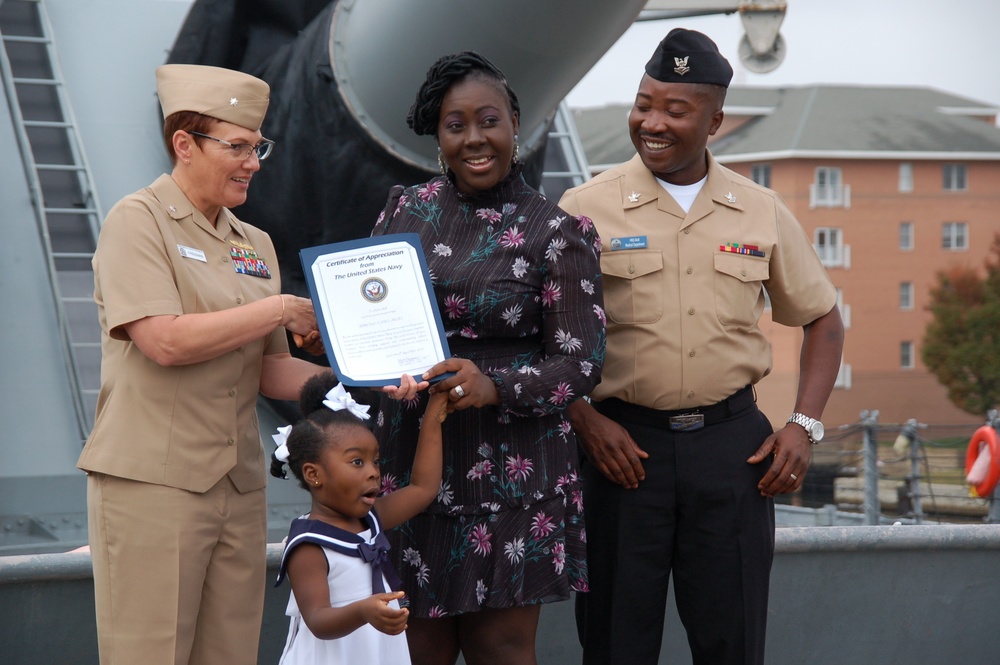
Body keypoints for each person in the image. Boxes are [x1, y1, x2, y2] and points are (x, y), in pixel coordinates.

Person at [558, 29, 845, 665]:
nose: (652, 123)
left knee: (732, 642)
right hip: (621, 451)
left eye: (675, 110)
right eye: (643, 104)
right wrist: (584, 418)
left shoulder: (760, 210)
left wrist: (803, 425)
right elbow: (542, 335)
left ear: (714, 120)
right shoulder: (583, 208)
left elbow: (823, 318)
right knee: (614, 644)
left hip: (732, 452)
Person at [77, 64, 328, 664]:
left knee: (230, 655)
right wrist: (278, 309)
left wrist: (362, 379)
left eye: (257, 147)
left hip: (236, 486)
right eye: (237, 147)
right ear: (183, 144)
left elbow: (268, 372)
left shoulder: (254, 244)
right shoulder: (136, 222)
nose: (253, 163)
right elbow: (163, 341)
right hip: (153, 485)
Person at [370, 51, 607, 665]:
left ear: (515, 124)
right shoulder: (405, 210)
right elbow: (368, 314)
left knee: (500, 648)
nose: (474, 139)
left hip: (512, 469)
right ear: (440, 136)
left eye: (488, 120)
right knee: (412, 643)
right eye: (456, 125)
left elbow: (581, 364)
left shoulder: (558, 232)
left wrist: (495, 384)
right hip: (409, 460)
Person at [270, 375, 449, 664]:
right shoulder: (308, 546)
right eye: (357, 462)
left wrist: (434, 416)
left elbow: (423, 488)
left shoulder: (371, 518)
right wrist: (363, 611)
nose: (373, 472)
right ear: (313, 474)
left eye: (375, 461)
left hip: (375, 651)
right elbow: (318, 619)